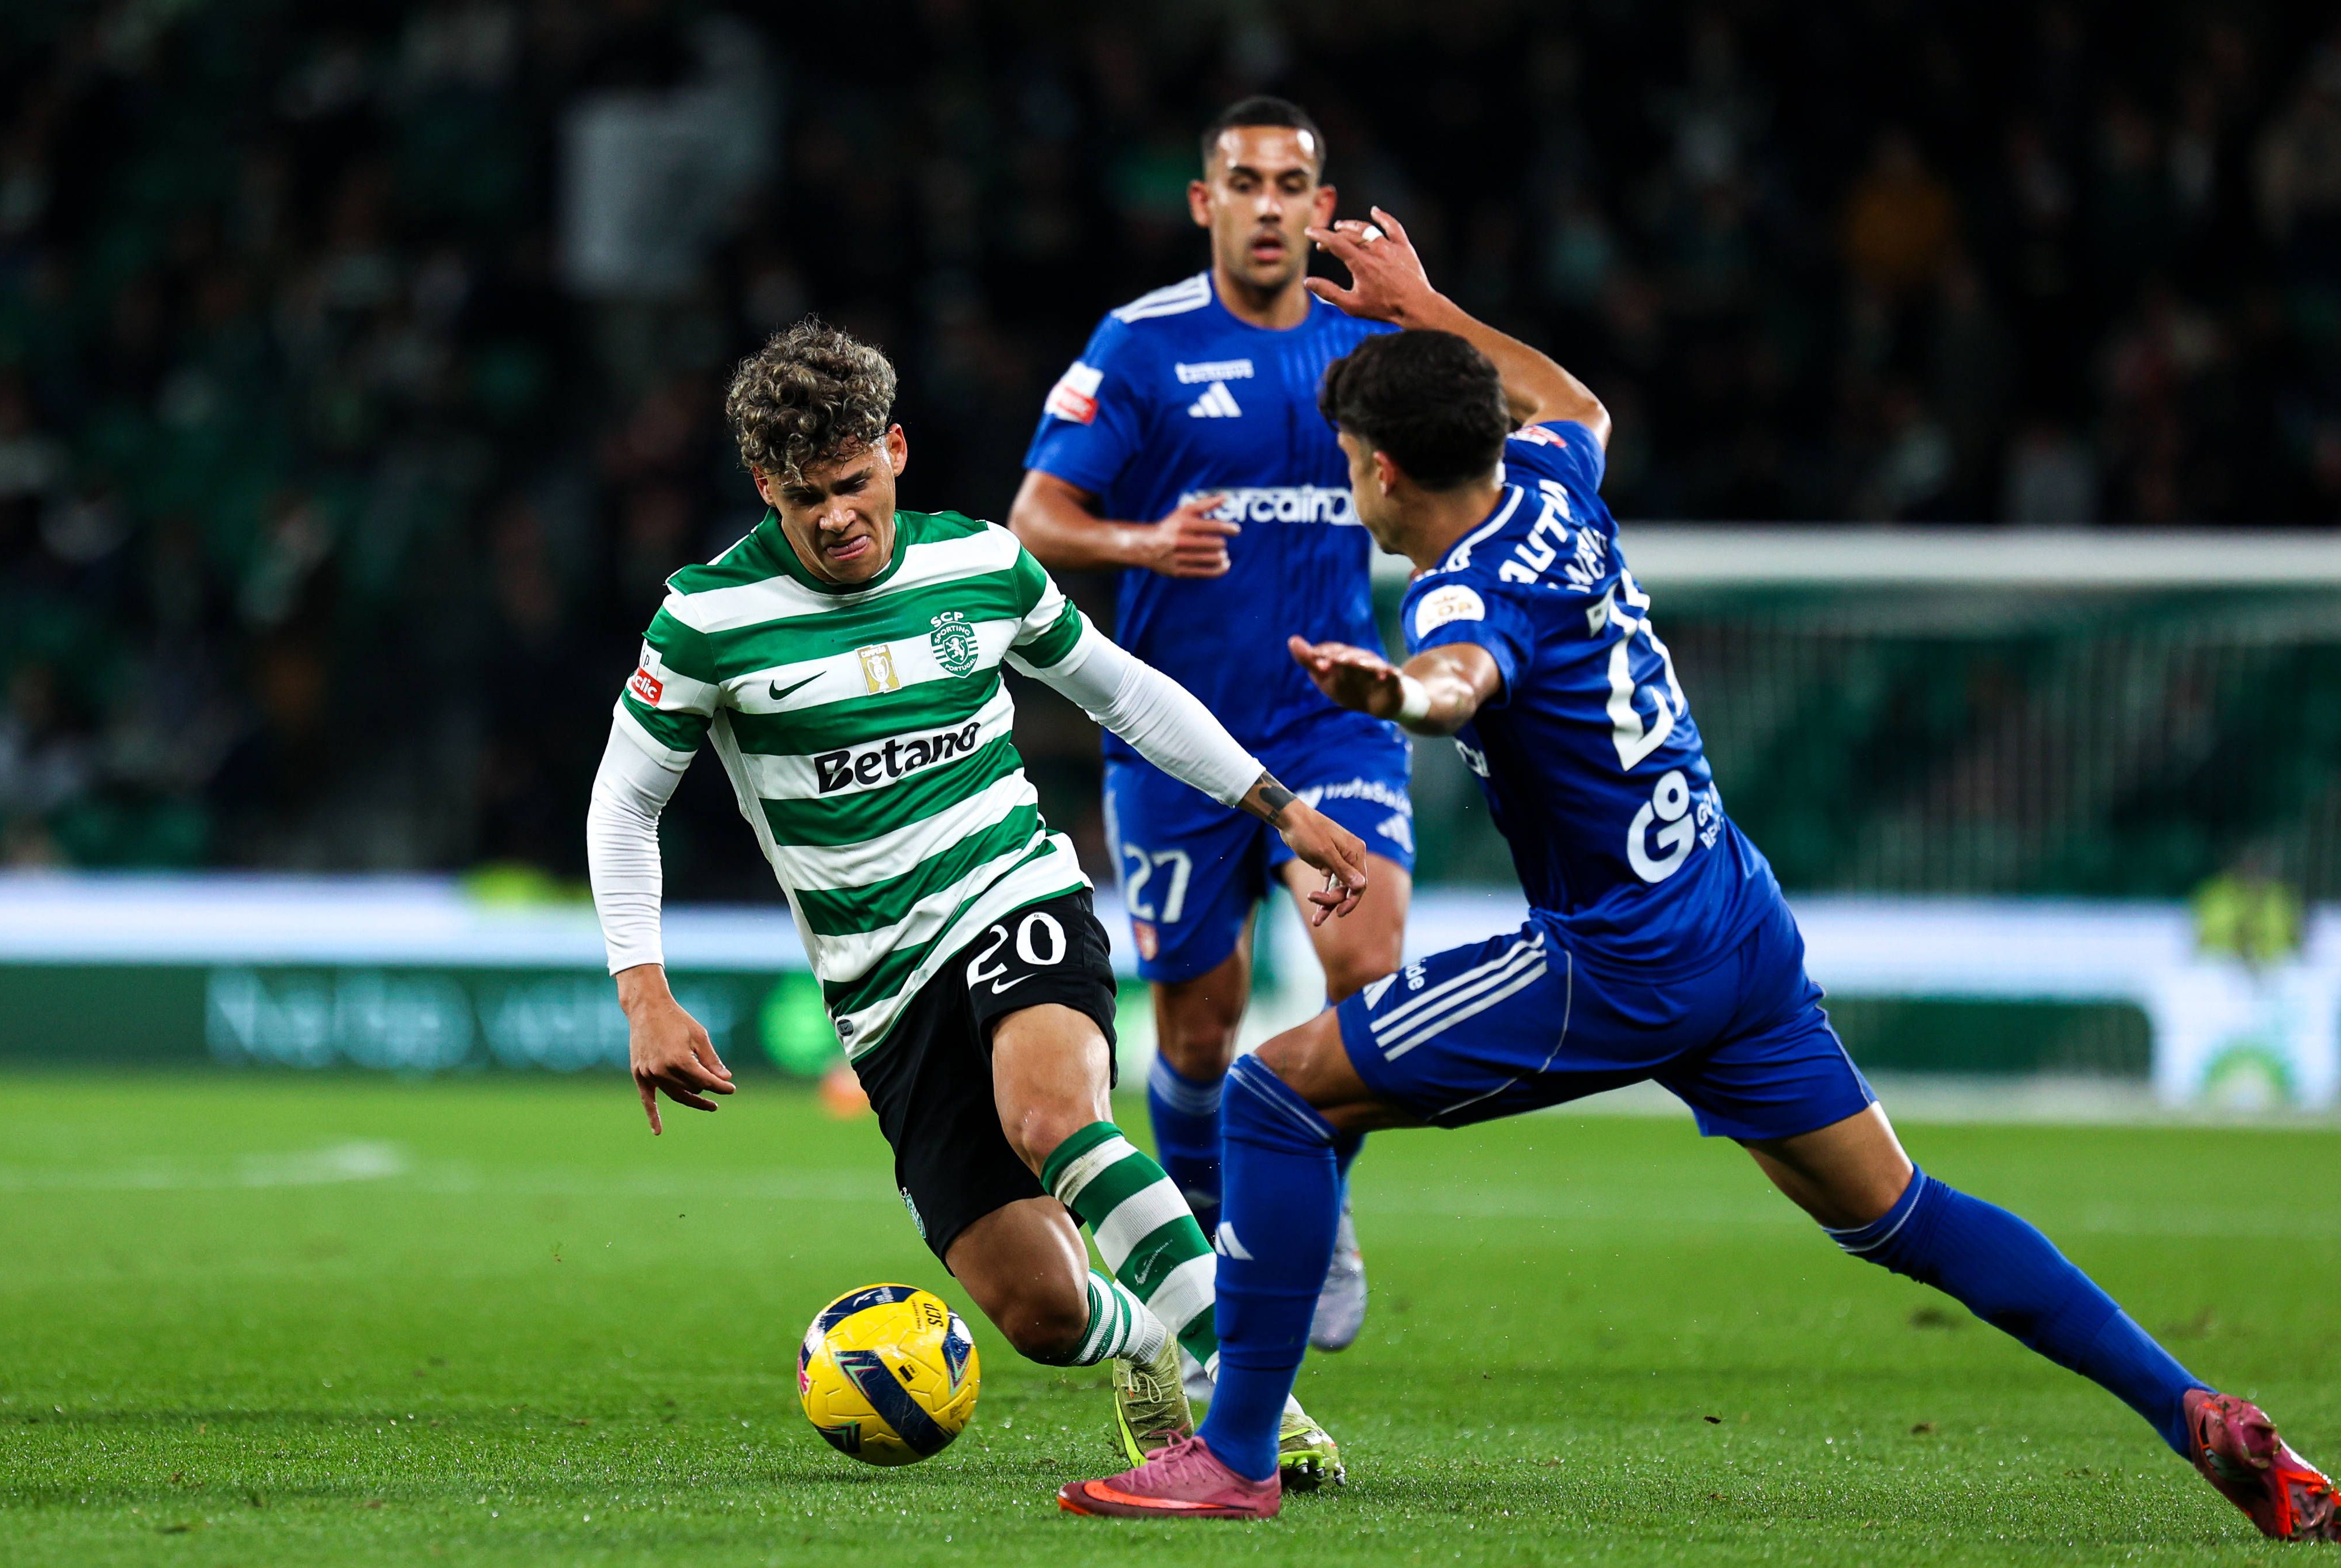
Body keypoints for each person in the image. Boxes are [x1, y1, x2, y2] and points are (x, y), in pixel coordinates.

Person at [1060, 216, 2339, 1540]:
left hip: (1618, 958)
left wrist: (1395, 691)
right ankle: (2191, 1410)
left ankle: (1234, 1456)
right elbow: (1577, 400)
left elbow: (1456, 684)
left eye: (1349, 467)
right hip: (1731, 914)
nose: (1350, 490)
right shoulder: (1549, 480)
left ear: (1383, 473)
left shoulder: (1452, 596)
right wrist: (1428, 302)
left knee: (1274, 1094)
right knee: (1900, 1212)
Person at [586, 319, 1360, 1483]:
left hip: (1014, 893)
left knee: (1054, 1118)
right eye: (806, 500)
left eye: (854, 484)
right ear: (765, 488)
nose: (839, 516)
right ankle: (1147, 1341)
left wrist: (1276, 804)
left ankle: (1253, 1405)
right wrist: (642, 992)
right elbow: (622, 806)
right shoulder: (706, 619)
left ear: (893, 451)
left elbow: (1124, 692)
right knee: (1043, 1314)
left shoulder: (981, 565)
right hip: (880, 995)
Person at [1012, 96, 1409, 1363]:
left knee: (1367, 970)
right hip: (1177, 738)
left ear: (1320, 205)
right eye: (1245, 181)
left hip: (1330, 721)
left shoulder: (1367, 336)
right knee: (1196, 1025)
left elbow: (1495, 433)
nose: (1270, 205)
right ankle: (1202, 1229)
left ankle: (1318, 1208)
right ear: (1206, 204)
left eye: (1293, 183)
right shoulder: (1140, 344)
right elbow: (1031, 518)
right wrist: (1140, 542)